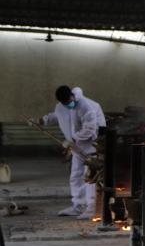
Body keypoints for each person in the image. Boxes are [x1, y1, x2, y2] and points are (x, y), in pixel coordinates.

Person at [36, 86, 106, 219]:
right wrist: (42, 120)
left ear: (72, 96)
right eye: (65, 103)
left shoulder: (86, 107)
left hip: (90, 147)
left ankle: (92, 208)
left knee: (90, 177)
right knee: (76, 175)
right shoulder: (61, 107)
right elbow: (58, 116)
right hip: (76, 148)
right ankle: (78, 206)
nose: (69, 105)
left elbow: (90, 129)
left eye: (69, 102)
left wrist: (73, 139)